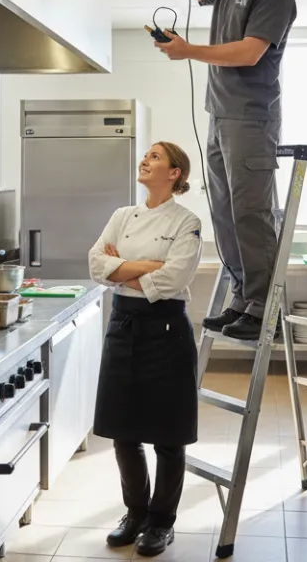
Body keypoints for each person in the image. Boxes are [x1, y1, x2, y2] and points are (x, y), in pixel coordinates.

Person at [156, 0, 297, 341]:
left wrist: (189, 50)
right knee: (225, 213)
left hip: (251, 120)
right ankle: (242, 297)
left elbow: (249, 51)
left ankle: (262, 308)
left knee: (252, 214)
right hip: (219, 115)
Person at [87, 142, 203, 557]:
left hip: (167, 329)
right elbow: (96, 263)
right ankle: (135, 513)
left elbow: (173, 281)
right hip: (123, 325)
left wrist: (122, 271)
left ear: (174, 173)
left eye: (155, 157)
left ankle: (161, 522)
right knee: (123, 431)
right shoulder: (122, 216)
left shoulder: (187, 222)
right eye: (146, 156)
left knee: (169, 437)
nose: (145, 161)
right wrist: (146, 269)